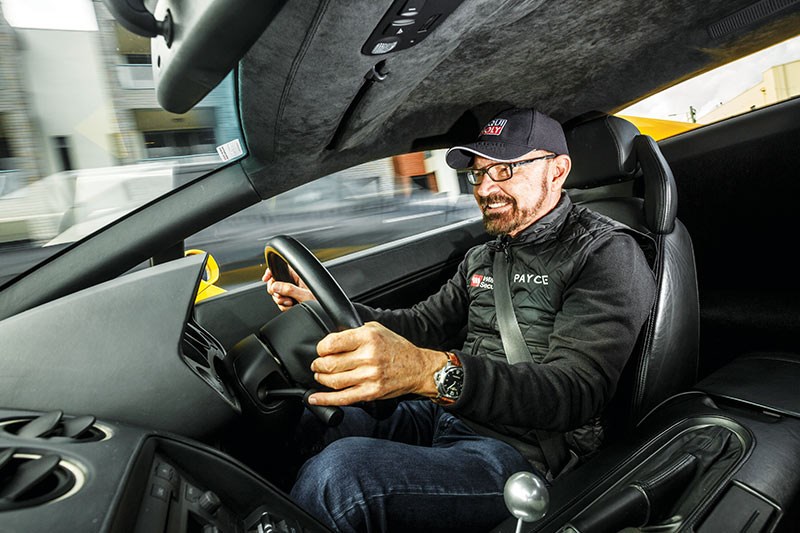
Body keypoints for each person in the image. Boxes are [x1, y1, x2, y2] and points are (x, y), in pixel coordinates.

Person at [263, 107, 657, 532]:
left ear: (558, 170)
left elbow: (575, 391)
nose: (485, 188)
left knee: (342, 477)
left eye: (504, 170)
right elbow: (420, 325)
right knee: (309, 414)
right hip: (445, 415)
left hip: (522, 452)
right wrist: (322, 308)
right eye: (478, 173)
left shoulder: (606, 254)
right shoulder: (484, 255)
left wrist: (432, 373)